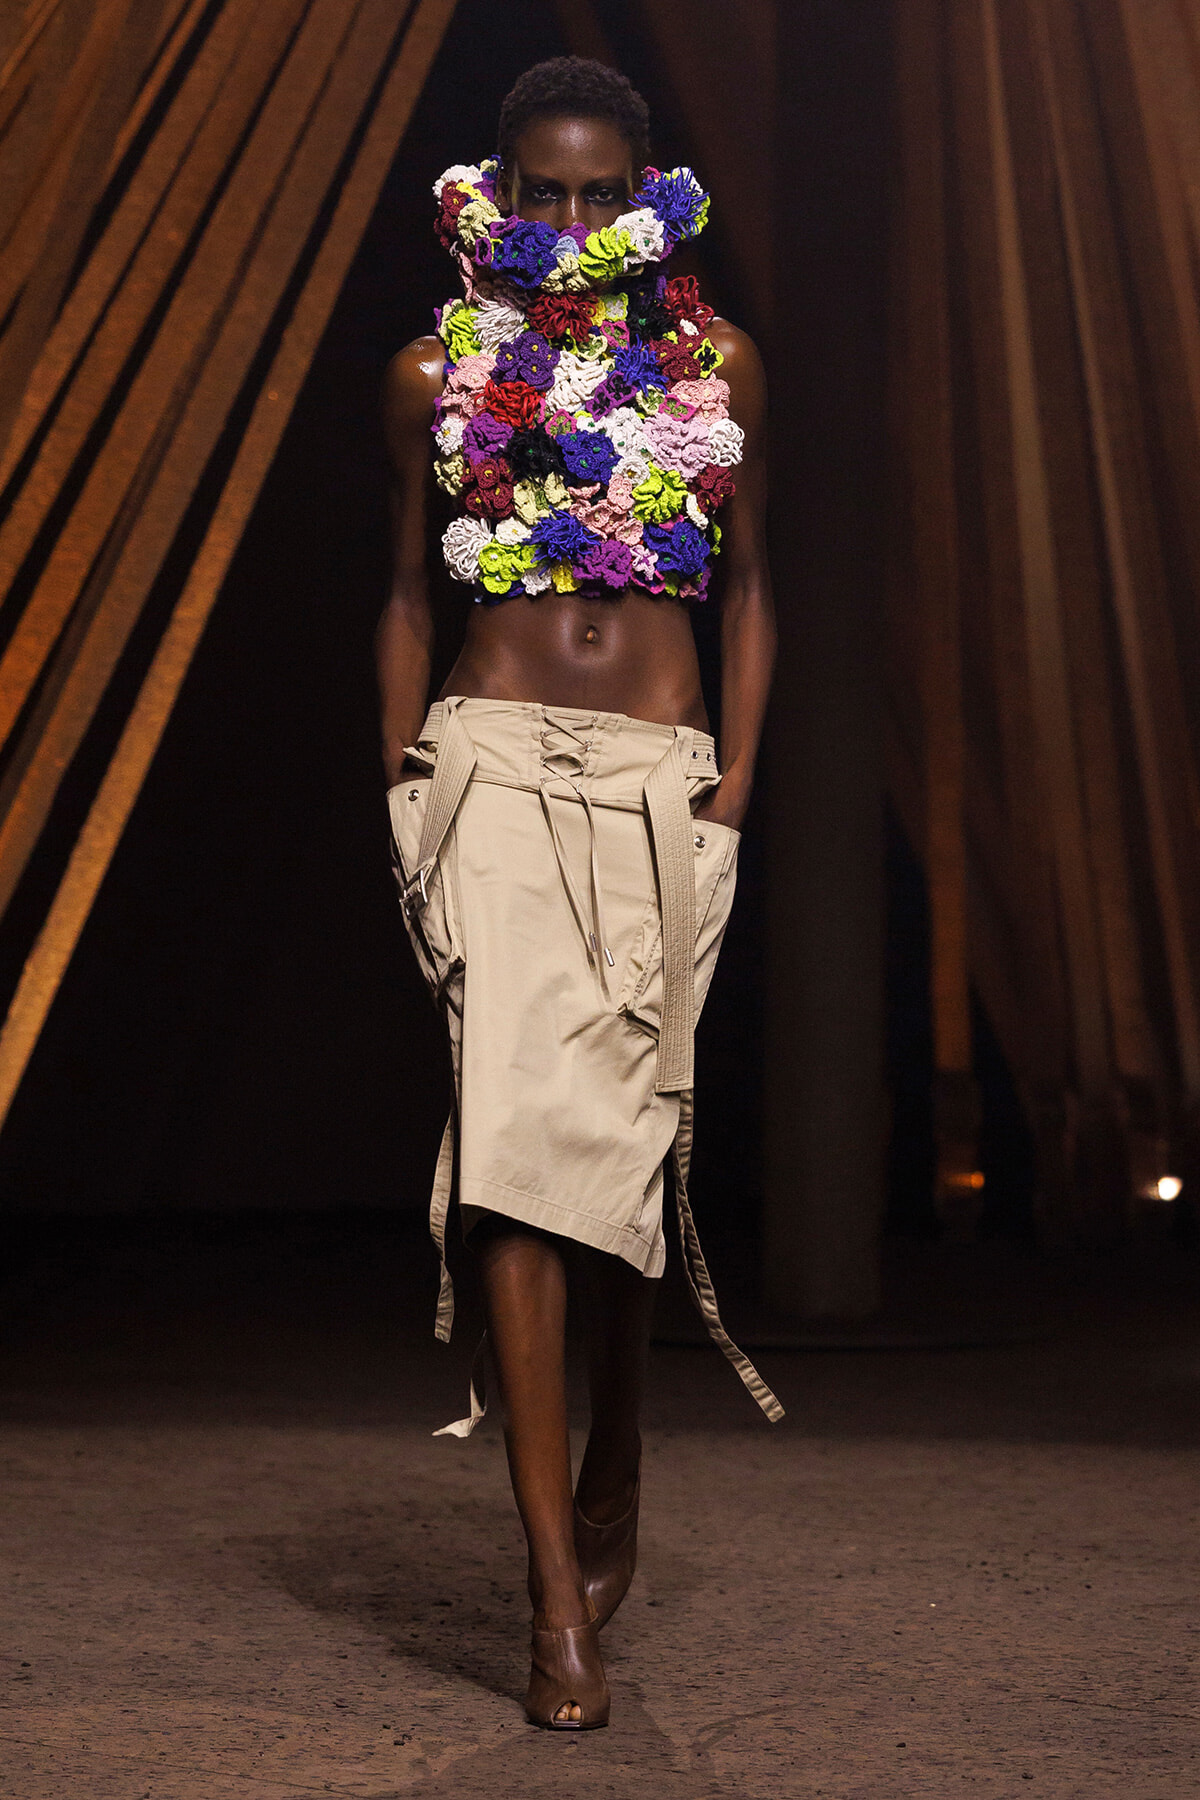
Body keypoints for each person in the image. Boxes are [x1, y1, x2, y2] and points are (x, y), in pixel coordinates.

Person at [377, 56, 781, 1731]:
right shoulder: (433, 373)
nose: (561, 221)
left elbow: (758, 586)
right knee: (512, 1167)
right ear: (498, 190)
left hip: (653, 782)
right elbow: (402, 584)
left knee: (611, 1165)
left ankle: (621, 1436)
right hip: (485, 767)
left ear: (643, 196)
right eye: (533, 191)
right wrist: (404, 767)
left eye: (593, 191)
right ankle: (554, 1598)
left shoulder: (716, 368)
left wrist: (736, 774)